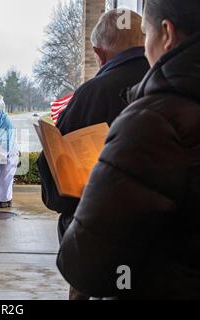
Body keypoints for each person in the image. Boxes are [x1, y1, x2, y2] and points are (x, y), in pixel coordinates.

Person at [57, 0, 200, 299]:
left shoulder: (152, 121)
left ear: (166, 33)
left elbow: (87, 263)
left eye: (146, 34)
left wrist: (79, 210)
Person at [37, 9, 149, 300]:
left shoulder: (93, 93)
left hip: (101, 234)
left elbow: (55, 166)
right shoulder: (167, 84)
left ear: (99, 53)